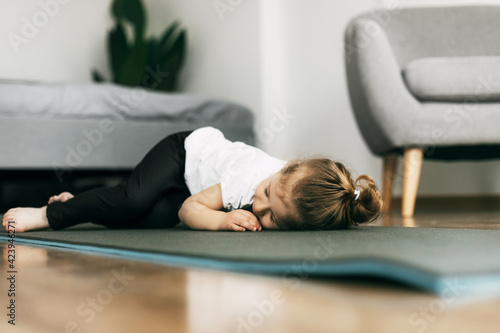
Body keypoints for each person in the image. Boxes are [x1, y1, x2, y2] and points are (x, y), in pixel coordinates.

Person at [2, 127, 383, 233]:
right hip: (182, 153)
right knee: (133, 200)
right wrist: (219, 219)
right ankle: (48, 216)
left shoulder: (296, 197)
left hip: (194, 184)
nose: (259, 205)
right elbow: (190, 209)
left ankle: (76, 201)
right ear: (281, 170)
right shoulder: (248, 179)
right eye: (265, 195)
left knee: (151, 221)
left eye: (274, 219)